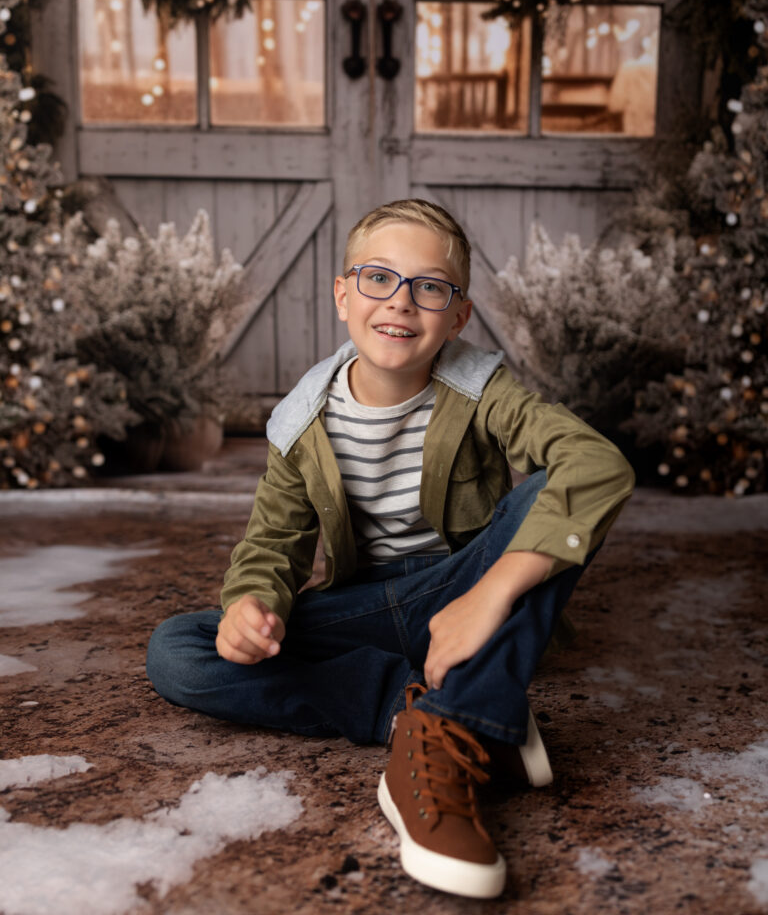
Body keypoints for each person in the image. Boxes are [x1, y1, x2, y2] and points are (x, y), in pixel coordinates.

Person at [146, 199, 635, 900]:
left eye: (430, 286)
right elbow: (273, 542)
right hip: (369, 604)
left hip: (465, 587)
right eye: (378, 278)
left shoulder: (483, 392)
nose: (401, 302)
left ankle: (444, 735)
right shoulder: (302, 421)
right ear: (344, 295)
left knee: (550, 492)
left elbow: (598, 464)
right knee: (178, 649)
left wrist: (488, 596)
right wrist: (251, 605)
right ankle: (426, 705)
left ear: (458, 315)